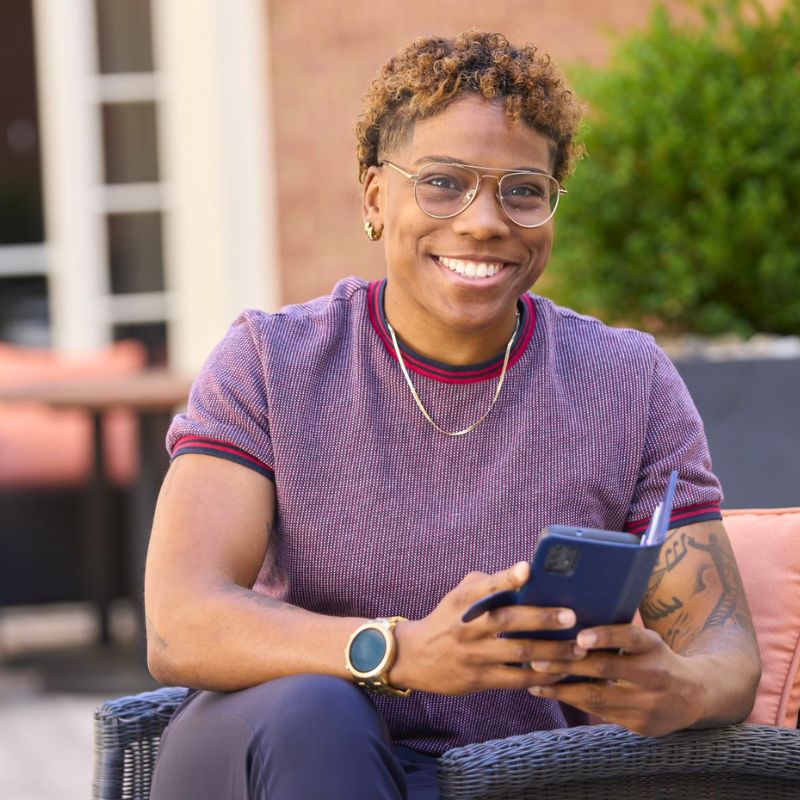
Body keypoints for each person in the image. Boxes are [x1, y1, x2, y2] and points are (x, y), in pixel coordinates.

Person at [144, 30, 761, 800]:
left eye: (523, 190)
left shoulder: (626, 381)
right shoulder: (271, 363)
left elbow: (727, 652)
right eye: (443, 182)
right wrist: (397, 651)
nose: (484, 221)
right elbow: (180, 621)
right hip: (280, 758)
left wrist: (683, 688)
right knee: (315, 710)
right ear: (376, 196)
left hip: (517, 780)